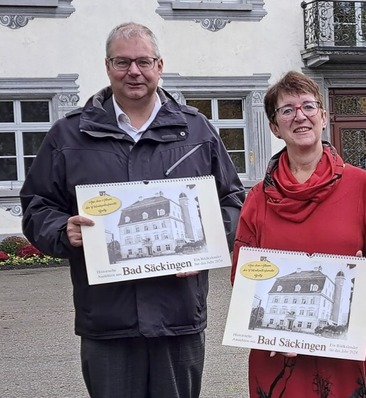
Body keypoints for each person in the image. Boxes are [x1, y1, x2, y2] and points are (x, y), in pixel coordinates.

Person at [20, 22, 245, 398]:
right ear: (107, 67)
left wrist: (204, 245)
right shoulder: (69, 134)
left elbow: (234, 203)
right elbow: (37, 206)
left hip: (178, 316)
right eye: (122, 62)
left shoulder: (196, 130)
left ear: (159, 64)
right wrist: (63, 230)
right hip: (108, 319)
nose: (134, 72)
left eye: (143, 61)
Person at [231, 71, 366, 397]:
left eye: (308, 106)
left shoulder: (360, 185)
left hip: (344, 345)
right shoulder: (258, 197)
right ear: (275, 127)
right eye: (287, 110)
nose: (299, 116)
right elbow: (242, 274)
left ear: (323, 116)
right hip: (278, 352)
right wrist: (272, 330)